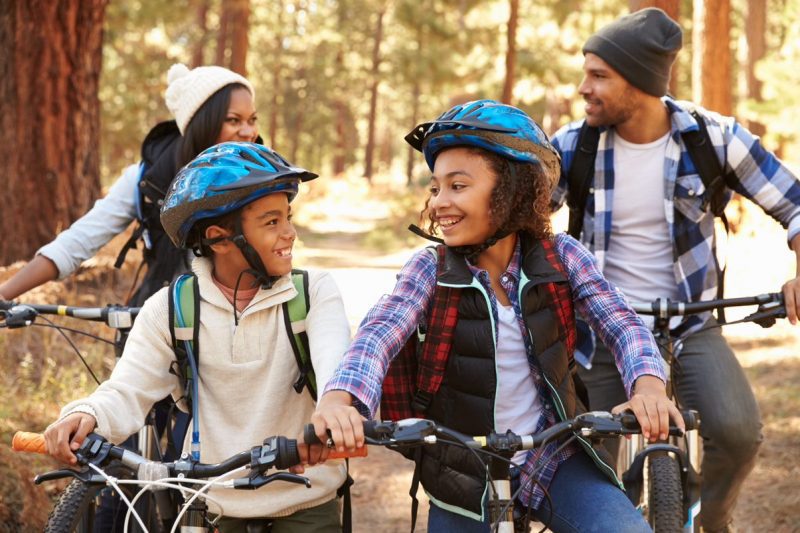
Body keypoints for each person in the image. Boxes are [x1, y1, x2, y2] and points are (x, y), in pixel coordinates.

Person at [310, 100, 684, 532]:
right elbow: (378, 334)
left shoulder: (561, 256)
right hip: (461, 471)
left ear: (513, 190)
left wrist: (650, 388)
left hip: (555, 457)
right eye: (435, 188)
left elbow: (620, 321)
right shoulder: (429, 269)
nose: (438, 203)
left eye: (457, 186)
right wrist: (340, 402)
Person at [549, 8, 800, 532]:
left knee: (736, 431)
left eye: (598, 76)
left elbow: (795, 203)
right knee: (591, 448)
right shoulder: (575, 145)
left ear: (637, 82)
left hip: (693, 322)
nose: (582, 88)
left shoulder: (713, 138)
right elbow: (515, 223)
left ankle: (711, 522)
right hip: (602, 328)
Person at [42, 142, 352, 532]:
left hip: (307, 500)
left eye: (288, 217)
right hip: (216, 505)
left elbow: (335, 364)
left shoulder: (313, 293)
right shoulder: (173, 309)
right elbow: (127, 388)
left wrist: (336, 406)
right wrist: (85, 414)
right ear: (220, 238)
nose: (290, 233)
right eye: (272, 222)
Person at [0, 63, 260, 307]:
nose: (248, 132)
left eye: (252, 120)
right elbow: (78, 241)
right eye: (233, 120)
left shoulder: (264, 177)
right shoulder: (148, 179)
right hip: (163, 319)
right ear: (202, 124)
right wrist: (4, 293)